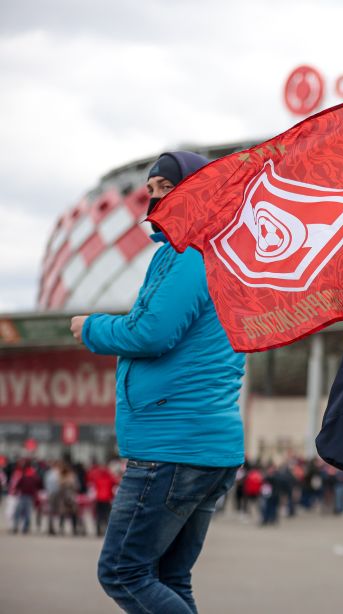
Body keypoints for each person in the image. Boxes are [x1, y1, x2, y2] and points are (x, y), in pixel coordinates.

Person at [70, 151, 244, 613]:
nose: (154, 201)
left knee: (122, 572)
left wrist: (90, 327)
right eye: (149, 192)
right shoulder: (212, 252)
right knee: (169, 577)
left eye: (165, 188)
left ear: (197, 189)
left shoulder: (191, 253)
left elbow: (151, 332)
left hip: (173, 446)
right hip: (203, 444)